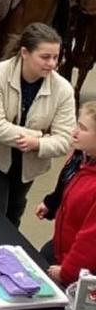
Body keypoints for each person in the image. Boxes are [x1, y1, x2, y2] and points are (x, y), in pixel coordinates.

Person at [0, 23, 74, 227]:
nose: (52, 64)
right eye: (45, 57)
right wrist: (38, 136)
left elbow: (65, 139)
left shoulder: (63, 90)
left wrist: (38, 144)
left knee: (16, 209)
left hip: (31, 161)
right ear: (25, 52)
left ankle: (9, 253)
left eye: (56, 57)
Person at [37, 101, 96, 286]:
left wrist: (67, 272)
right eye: (77, 124)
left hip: (79, 270)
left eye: (83, 128)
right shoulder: (81, 156)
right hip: (60, 248)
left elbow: (90, 240)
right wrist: (51, 204)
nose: (74, 132)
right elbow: (65, 185)